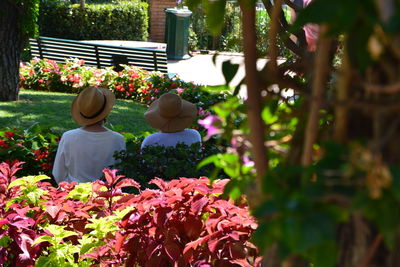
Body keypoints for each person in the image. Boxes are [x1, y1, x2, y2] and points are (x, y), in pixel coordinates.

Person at [52, 86, 126, 184]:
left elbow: (58, 174)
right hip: (107, 196)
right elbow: (121, 172)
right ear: (106, 113)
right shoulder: (118, 139)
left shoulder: (68, 137)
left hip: (73, 194)